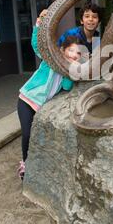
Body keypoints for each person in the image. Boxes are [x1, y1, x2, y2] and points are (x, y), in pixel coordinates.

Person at [17, 9, 84, 180]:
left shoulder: (68, 72)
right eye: (71, 51)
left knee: (39, 134)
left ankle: (39, 161)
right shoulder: (49, 60)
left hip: (42, 107)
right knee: (27, 133)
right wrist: (39, 22)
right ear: (62, 50)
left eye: (78, 53)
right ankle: (25, 163)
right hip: (27, 100)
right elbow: (37, 45)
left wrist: (73, 72)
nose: (74, 55)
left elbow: (68, 87)